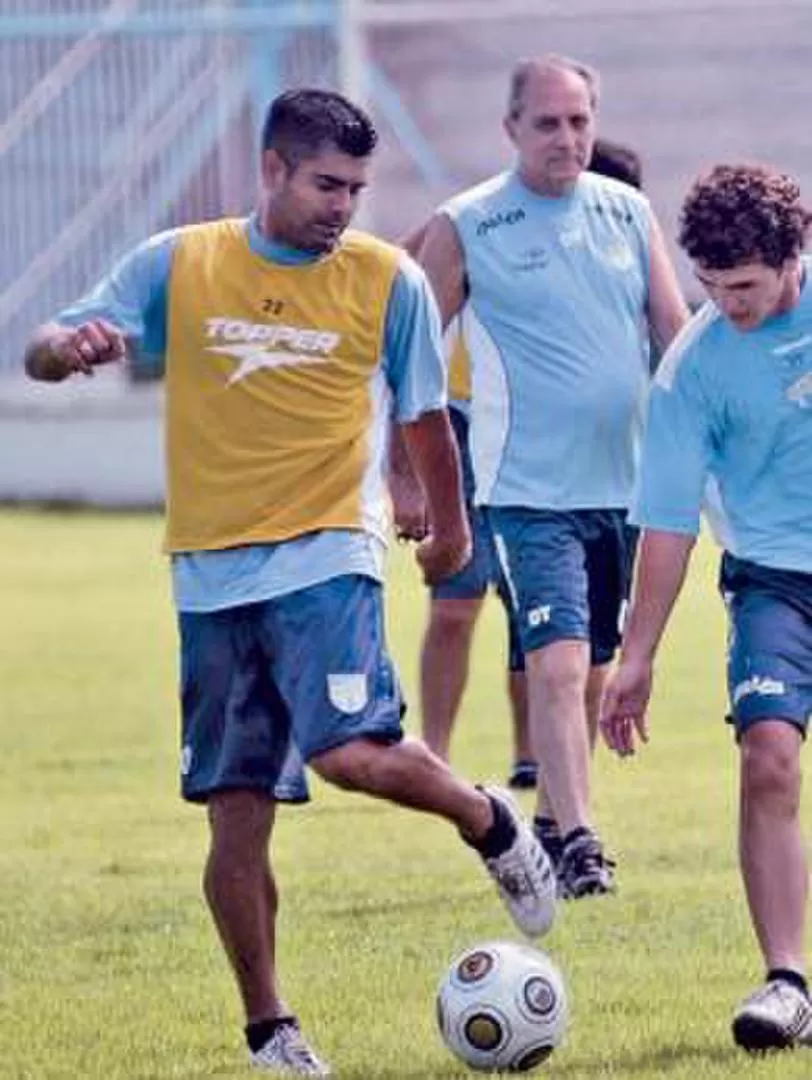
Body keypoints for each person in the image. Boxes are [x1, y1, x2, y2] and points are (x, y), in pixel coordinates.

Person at [23, 88, 557, 1076]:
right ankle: (270, 1029)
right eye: (325, 185)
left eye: (355, 188)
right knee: (234, 814)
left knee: (349, 751)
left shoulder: (385, 280)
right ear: (270, 170)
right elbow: (46, 346)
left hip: (327, 551)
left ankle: (486, 819)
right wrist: (71, 348)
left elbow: (422, 416)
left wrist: (443, 532)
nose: (341, 206)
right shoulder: (178, 263)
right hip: (207, 576)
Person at [413, 55, 688, 899]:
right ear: (511, 129)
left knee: (596, 666)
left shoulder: (629, 210)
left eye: (580, 121)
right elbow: (412, 358)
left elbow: (675, 342)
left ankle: (548, 821)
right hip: (527, 493)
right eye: (547, 123)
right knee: (560, 667)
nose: (567, 138)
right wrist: (409, 479)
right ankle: (581, 843)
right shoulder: (467, 224)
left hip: (628, 490)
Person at [601, 163, 812, 1052]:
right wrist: (637, 654)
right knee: (767, 756)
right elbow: (667, 524)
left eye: (747, 287)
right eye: (713, 287)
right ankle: (788, 984)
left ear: (793, 255)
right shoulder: (691, 370)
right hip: (772, 581)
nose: (728, 303)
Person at [392, 134, 645, 793]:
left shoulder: (612, 237)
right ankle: (435, 755)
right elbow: (397, 272)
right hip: (468, 425)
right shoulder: (481, 219)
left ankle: (532, 756)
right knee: (456, 601)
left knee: (535, 613)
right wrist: (404, 465)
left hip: (559, 447)